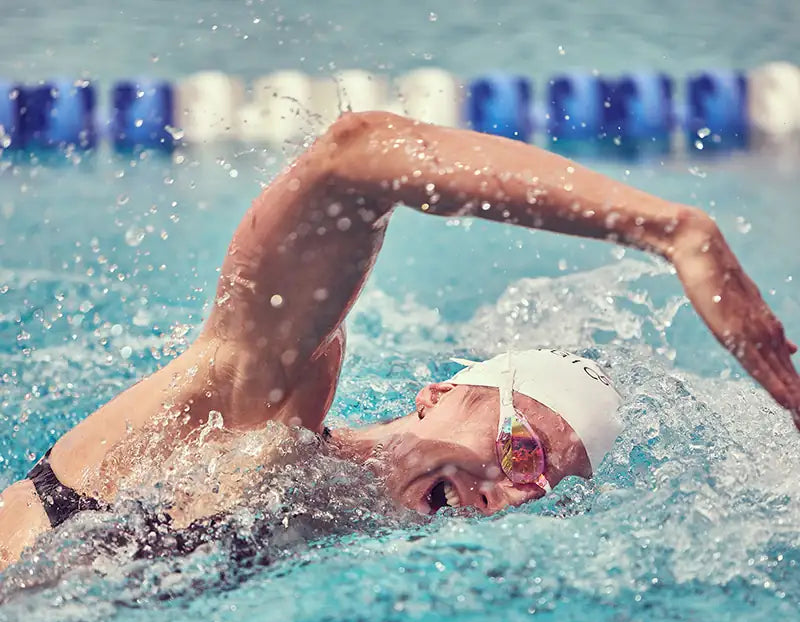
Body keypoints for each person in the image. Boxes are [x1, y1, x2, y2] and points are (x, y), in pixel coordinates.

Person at [1, 110, 798, 568]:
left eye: (541, 493)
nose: (516, 494)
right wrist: (673, 230)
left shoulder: (346, 531)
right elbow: (355, 156)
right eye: (525, 452)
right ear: (438, 395)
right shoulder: (263, 411)